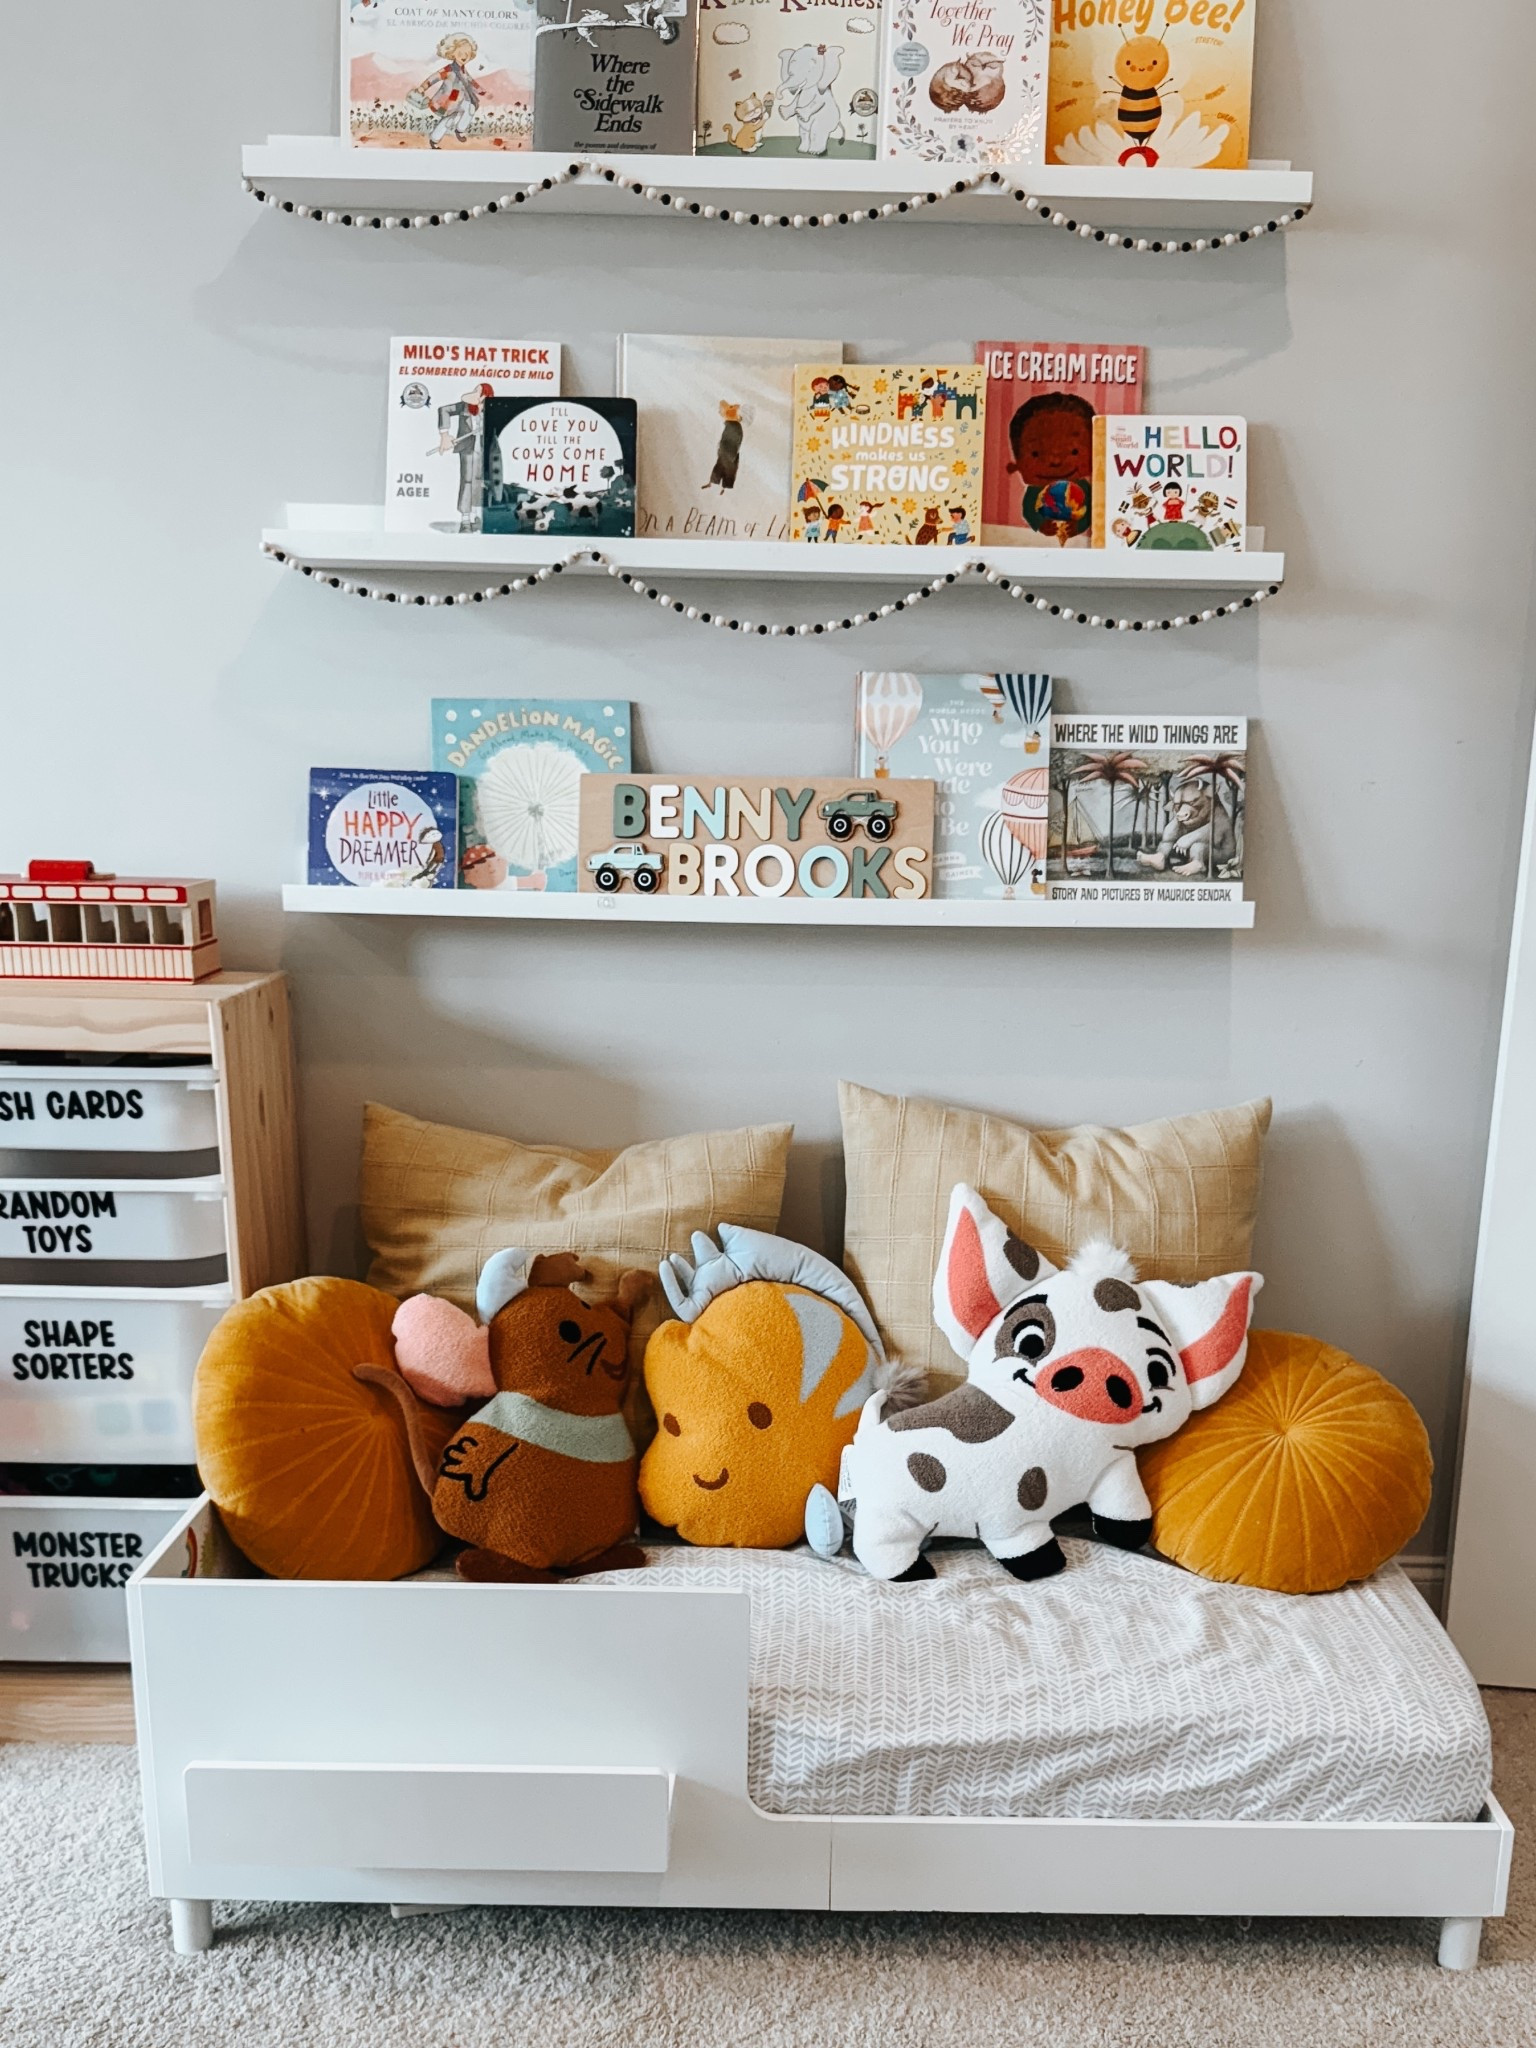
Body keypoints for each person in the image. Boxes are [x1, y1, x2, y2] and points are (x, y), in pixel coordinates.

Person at [1005, 392, 1096, 544]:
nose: (1055, 461)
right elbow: (1029, 510)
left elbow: (1090, 511)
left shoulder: (1084, 489)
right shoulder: (1034, 492)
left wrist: (1078, 525)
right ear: (1018, 462)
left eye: (1074, 451)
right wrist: (1040, 524)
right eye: (1036, 453)